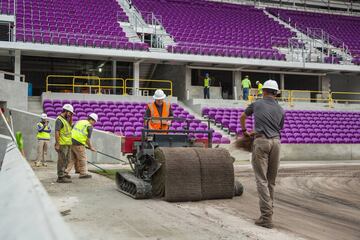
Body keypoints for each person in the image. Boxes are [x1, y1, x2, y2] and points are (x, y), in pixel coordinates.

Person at [240, 80, 284, 229]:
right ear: (276, 93)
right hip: (276, 143)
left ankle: (266, 218)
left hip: (262, 142)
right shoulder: (280, 109)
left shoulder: (257, 104)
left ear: (264, 91)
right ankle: (268, 214)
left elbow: (242, 117)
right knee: (271, 181)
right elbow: (278, 128)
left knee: (261, 180)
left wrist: (245, 132)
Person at [66, 113, 97, 179]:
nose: (94, 123)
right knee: (83, 159)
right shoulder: (89, 126)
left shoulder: (79, 121)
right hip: (79, 144)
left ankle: (65, 172)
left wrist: (85, 145)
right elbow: (87, 139)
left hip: (71, 142)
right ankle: (83, 173)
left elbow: (73, 130)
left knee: (72, 159)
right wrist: (91, 147)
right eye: (94, 121)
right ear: (92, 120)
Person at [55, 104, 74, 183]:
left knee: (67, 160)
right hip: (62, 144)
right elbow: (57, 132)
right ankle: (60, 177)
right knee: (62, 160)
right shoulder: (59, 120)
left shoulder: (66, 120)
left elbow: (68, 129)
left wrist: (70, 118)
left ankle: (64, 173)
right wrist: (57, 144)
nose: (70, 115)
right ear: (66, 111)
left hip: (68, 143)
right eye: (70, 113)